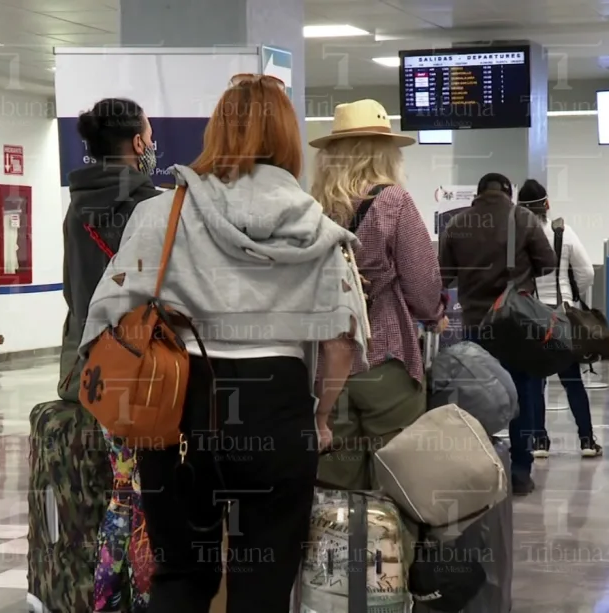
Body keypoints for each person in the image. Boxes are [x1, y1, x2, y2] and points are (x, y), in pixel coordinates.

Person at [79, 73, 367, 613]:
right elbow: (341, 341)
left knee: (182, 573)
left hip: (180, 405)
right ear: (288, 137)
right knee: (265, 578)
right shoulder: (319, 228)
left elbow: (110, 314)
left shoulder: (160, 214)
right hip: (278, 409)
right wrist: (321, 417)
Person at [309, 98, 447, 490]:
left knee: (334, 478)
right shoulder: (393, 200)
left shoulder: (312, 207)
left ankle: (338, 548)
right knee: (397, 477)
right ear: (384, 152)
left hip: (325, 362)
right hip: (384, 355)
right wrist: (435, 313)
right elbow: (422, 281)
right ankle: (388, 550)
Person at [61, 97, 162, 613]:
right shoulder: (153, 206)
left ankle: (106, 600)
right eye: (149, 134)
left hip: (97, 369)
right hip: (148, 373)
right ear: (139, 142)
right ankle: (143, 599)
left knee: (125, 490)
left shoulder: (76, 207)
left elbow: (72, 292)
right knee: (150, 498)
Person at [440, 172, 557, 496]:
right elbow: (548, 263)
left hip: (477, 326)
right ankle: (520, 472)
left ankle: (477, 472)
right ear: (509, 192)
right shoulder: (524, 219)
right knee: (523, 394)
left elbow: (445, 276)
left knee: (474, 397)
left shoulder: (457, 224)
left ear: (478, 194)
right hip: (516, 323)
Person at [518, 179, 603, 459]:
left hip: (531, 317)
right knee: (572, 380)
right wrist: (572, 294)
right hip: (562, 316)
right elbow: (587, 273)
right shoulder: (563, 233)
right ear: (547, 205)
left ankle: (539, 441)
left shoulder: (517, 237)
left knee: (534, 383)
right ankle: (587, 441)